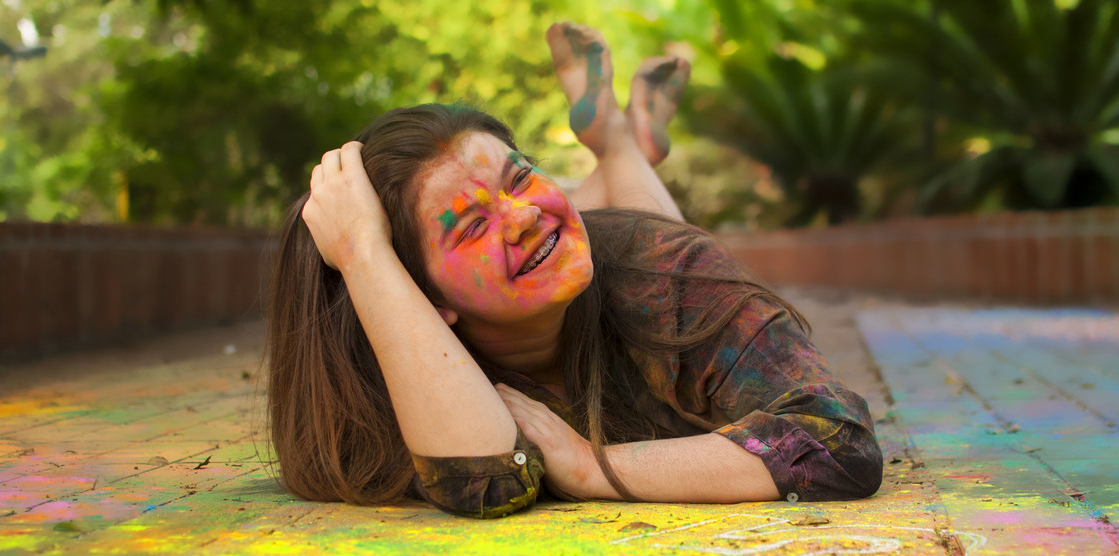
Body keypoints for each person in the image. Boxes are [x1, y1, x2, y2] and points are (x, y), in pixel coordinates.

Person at [266, 23, 882, 519]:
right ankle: (623, 144)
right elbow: (485, 480)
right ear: (420, 296)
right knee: (631, 237)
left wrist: (592, 466)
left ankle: (616, 142)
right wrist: (364, 253)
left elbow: (838, 441)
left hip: (636, 259)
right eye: (472, 227)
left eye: (520, 177)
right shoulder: (391, 367)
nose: (523, 215)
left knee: (653, 243)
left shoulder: (665, 269)